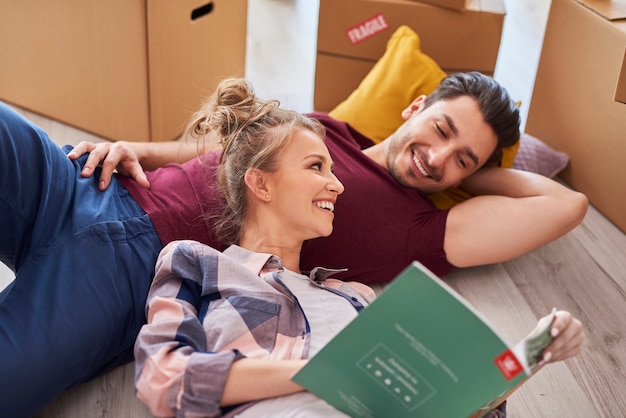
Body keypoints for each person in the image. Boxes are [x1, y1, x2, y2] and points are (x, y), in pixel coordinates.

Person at [0, 73, 586, 417]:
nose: (438, 157)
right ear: (416, 108)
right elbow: (232, 152)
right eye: (441, 129)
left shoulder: (419, 226)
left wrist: (467, 171)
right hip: (84, 183)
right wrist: (139, 149)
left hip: (129, 269)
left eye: (464, 159)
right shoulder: (325, 125)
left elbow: (565, 206)